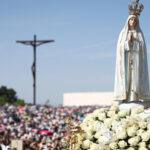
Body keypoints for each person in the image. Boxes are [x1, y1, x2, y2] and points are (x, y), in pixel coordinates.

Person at [114, 0, 150, 103]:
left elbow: (142, 48)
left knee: (135, 79)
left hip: (136, 60)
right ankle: (125, 97)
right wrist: (128, 42)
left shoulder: (139, 34)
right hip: (126, 60)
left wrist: (135, 43)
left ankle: (135, 97)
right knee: (127, 79)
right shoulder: (123, 33)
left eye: (135, 20)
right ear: (128, 21)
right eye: (131, 20)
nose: (133, 22)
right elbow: (120, 48)